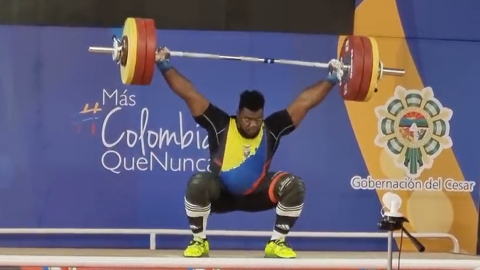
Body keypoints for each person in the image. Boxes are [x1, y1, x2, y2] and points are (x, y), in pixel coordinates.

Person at [155, 47, 344, 258]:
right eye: (247, 119)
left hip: (257, 195)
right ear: (238, 114)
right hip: (220, 194)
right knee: (198, 182)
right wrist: (164, 64)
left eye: (257, 120)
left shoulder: (271, 128)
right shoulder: (220, 123)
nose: (253, 125)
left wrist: (333, 77)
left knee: (294, 185)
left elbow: (305, 102)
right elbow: (188, 93)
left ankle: (276, 243)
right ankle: (199, 241)